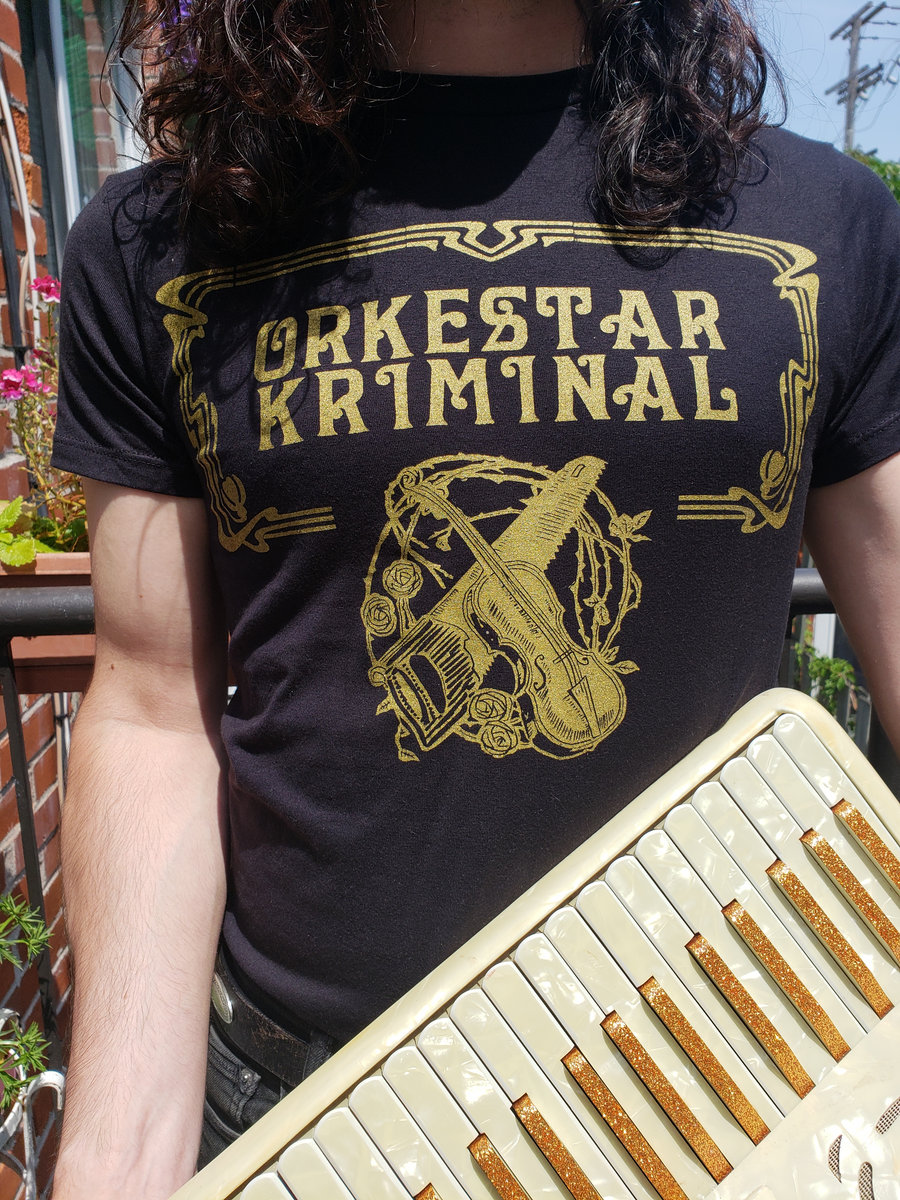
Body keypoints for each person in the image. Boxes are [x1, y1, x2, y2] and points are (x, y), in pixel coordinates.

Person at [49, 0, 900, 1196]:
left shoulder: (820, 218)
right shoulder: (164, 239)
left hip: (720, 1080)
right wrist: (114, 1159)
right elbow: (149, 708)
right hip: (310, 1112)